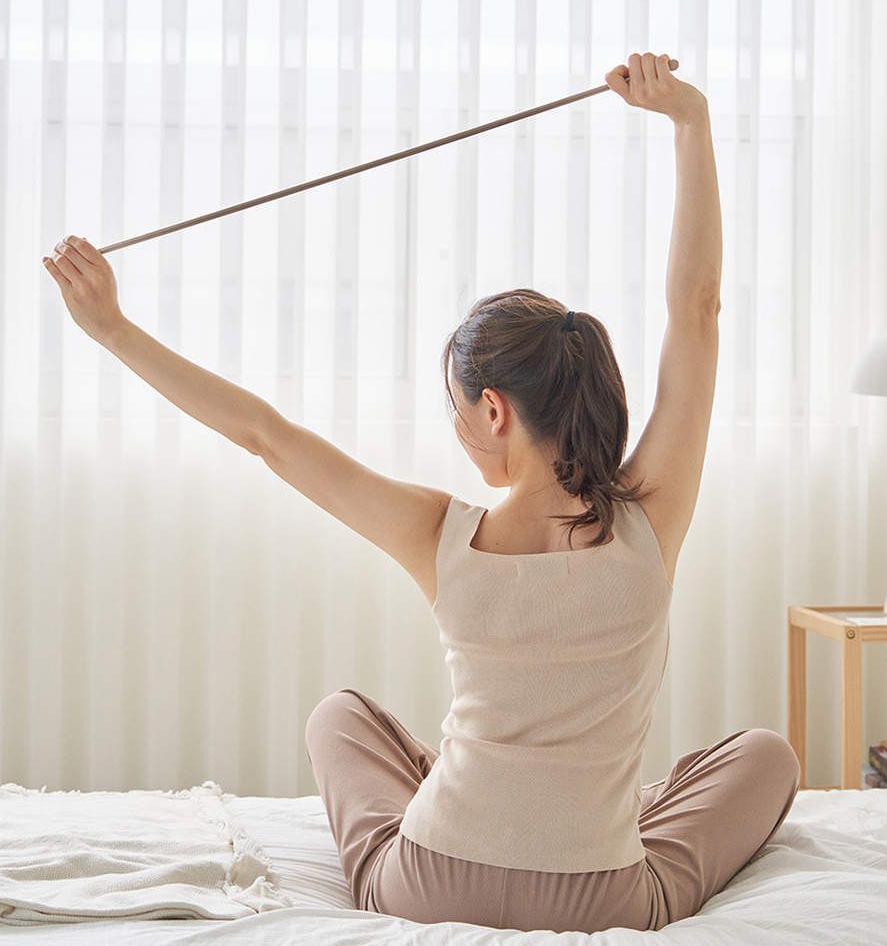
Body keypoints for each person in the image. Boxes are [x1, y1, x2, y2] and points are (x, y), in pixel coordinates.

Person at [42, 51, 799, 934]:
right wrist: (689, 120)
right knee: (766, 757)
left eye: (457, 408)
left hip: (430, 882)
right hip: (604, 898)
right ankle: (579, 807)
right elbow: (696, 310)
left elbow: (264, 434)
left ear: (494, 408)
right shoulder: (649, 521)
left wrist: (112, 330)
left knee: (340, 718)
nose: (457, 426)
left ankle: (481, 798)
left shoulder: (440, 534)